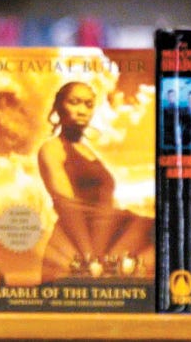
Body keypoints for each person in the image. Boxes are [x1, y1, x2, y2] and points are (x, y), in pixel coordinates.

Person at [37, 81, 153, 281]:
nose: (82, 110)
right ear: (58, 106)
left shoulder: (89, 151)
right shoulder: (52, 149)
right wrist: (90, 258)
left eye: (89, 104)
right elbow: (68, 207)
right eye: (75, 102)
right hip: (76, 254)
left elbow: (104, 204)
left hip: (103, 251)